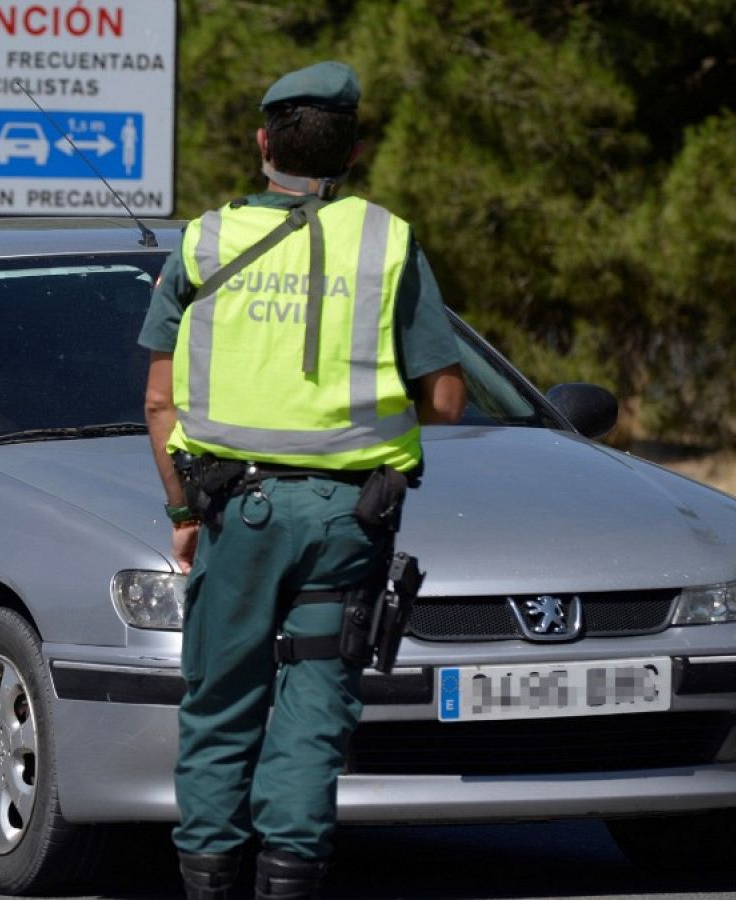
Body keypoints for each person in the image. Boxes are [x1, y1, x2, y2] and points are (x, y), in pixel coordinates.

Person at [139, 61, 467, 900]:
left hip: (235, 511)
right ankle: (289, 883)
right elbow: (448, 397)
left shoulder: (203, 240)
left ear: (262, 143)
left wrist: (182, 510)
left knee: (218, 707)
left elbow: (157, 402)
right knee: (315, 711)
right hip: (348, 521)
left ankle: (210, 880)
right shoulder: (389, 241)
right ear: (353, 150)